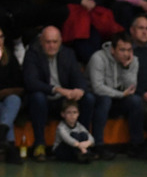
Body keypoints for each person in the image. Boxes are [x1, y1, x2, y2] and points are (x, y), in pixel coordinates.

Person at [22, 26, 100, 162]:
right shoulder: (32, 54)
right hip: (44, 99)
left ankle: (83, 143)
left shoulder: (68, 54)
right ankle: (39, 145)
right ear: (41, 41)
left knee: (88, 98)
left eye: (55, 42)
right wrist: (57, 89)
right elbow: (31, 82)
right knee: (37, 97)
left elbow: (79, 78)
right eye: (48, 42)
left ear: (60, 41)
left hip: (64, 100)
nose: (52, 45)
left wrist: (79, 90)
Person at [87, 32, 147, 158]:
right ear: (112, 50)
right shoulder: (98, 58)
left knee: (136, 101)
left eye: (129, 50)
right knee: (105, 100)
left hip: (118, 98)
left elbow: (131, 88)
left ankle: (136, 145)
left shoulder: (133, 61)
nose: (126, 54)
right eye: (122, 50)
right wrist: (121, 94)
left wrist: (126, 68)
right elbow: (97, 88)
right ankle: (98, 145)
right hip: (98, 99)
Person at [49, 0, 123, 64]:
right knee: (85, 44)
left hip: (94, 13)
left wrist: (94, 2)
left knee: (99, 37)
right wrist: (80, 1)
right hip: (73, 14)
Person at [0, 26, 23, 164]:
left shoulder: (10, 57)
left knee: (14, 100)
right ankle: (10, 146)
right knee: (3, 109)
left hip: (7, 98)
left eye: (1, 37)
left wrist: (6, 92)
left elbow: (20, 87)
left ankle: (2, 133)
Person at [52, 99, 95, 163]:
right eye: (69, 112)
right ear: (63, 114)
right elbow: (68, 139)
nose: (72, 115)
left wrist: (88, 143)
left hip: (77, 147)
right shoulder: (61, 127)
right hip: (61, 150)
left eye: (74, 112)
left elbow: (90, 137)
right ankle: (84, 154)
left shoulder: (79, 125)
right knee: (74, 135)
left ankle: (83, 155)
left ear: (78, 114)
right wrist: (81, 147)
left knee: (83, 134)